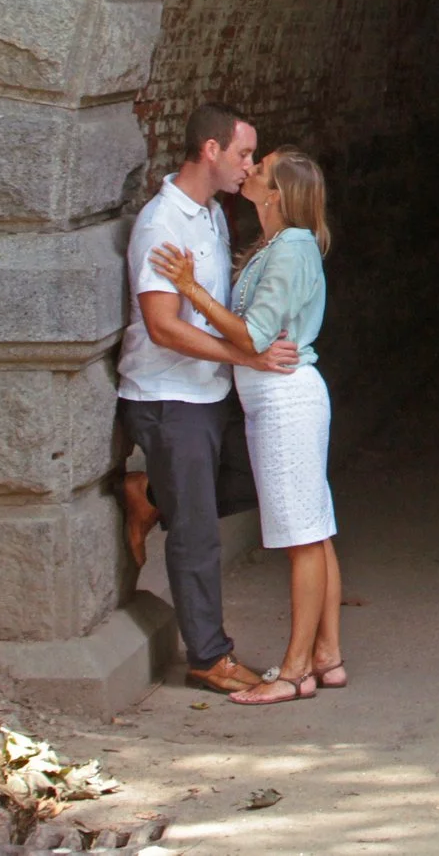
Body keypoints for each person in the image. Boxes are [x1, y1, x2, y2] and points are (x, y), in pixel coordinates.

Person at [116, 104, 300, 695]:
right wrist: (247, 356)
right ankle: (207, 655)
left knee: (251, 482)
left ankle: (151, 495)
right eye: (245, 154)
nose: (250, 166)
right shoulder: (161, 223)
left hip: (209, 389)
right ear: (211, 151)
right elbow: (164, 326)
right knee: (198, 532)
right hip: (169, 395)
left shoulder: (215, 214)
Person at [154, 148, 344, 708]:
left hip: (285, 401)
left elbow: (255, 337)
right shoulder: (284, 246)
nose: (251, 169)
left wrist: (190, 289)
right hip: (281, 398)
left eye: (262, 168)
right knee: (314, 529)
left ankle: (292, 671)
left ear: (277, 194)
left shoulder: (290, 250)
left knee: (302, 539)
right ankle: (326, 657)